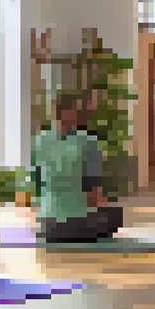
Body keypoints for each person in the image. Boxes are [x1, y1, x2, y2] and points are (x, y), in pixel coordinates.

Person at [32, 92, 123, 243]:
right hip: (76, 221)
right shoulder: (88, 143)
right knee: (114, 217)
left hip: (47, 223)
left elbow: (36, 182)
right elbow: (95, 196)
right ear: (71, 113)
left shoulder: (39, 141)